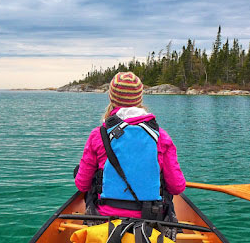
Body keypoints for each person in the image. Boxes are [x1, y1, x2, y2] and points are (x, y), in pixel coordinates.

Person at [74, 72, 186, 226]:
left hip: (106, 219)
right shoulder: (161, 136)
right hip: (150, 219)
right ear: (140, 99)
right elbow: (177, 187)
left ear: (111, 98)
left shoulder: (98, 135)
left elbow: (82, 185)